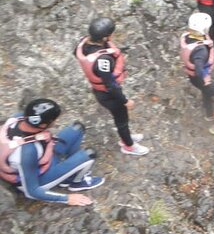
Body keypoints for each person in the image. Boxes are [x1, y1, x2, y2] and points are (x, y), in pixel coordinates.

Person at [0, 99, 104, 206]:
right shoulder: (27, 152)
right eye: (53, 120)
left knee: (77, 128)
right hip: (38, 179)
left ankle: (71, 171)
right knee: (90, 154)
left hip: (43, 158)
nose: (55, 122)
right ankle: (77, 181)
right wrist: (67, 198)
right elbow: (31, 191)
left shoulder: (19, 118)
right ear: (42, 125)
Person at [74, 17, 149, 156]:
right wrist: (125, 101)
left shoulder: (83, 44)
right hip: (108, 95)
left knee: (121, 119)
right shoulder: (103, 61)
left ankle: (126, 136)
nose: (112, 35)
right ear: (104, 38)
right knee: (122, 119)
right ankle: (128, 145)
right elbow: (111, 86)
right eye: (111, 34)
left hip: (99, 90)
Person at [180, 12, 214, 137]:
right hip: (199, 78)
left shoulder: (188, 37)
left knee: (206, 92)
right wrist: (206, 79)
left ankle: (209, 113)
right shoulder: (201, 50)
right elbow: (199, 68)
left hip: (192, 77)